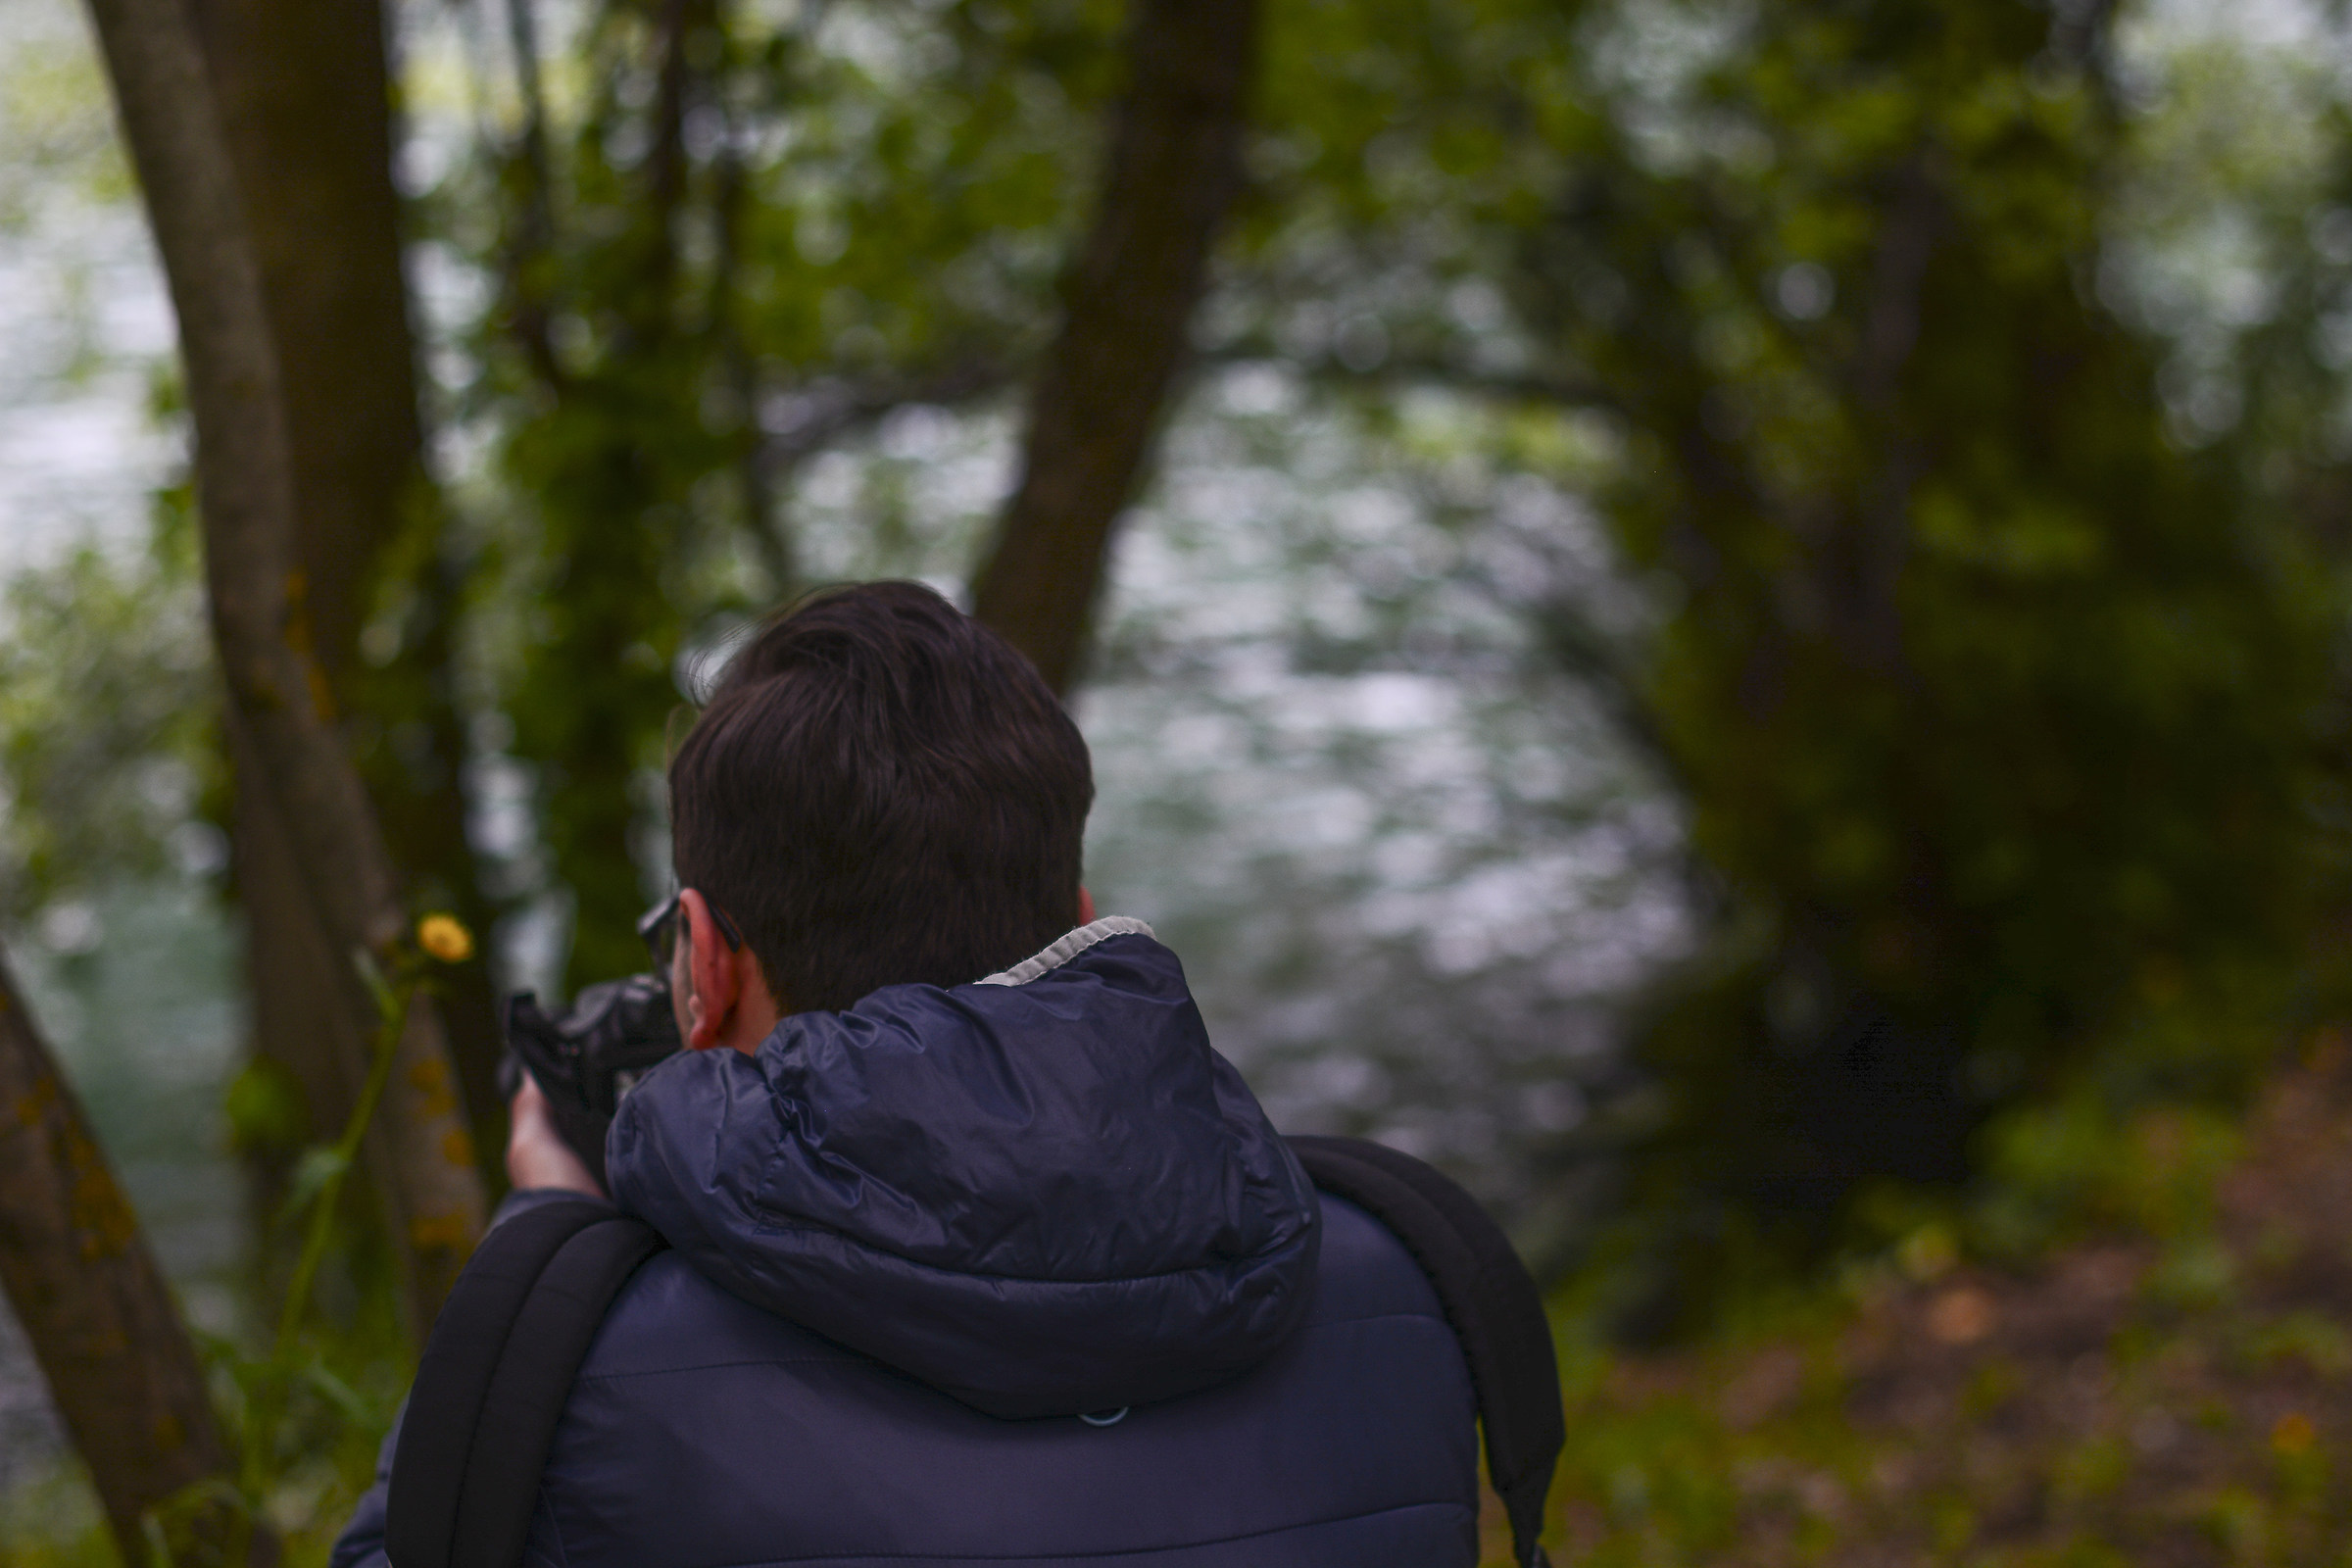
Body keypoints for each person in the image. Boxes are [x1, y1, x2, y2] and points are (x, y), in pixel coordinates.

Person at [331, 581, 1480, 1566]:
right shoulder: (1412, 1282)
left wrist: (535, 1255)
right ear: (1076, 921)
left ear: (709, 963)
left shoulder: (579, 1366)